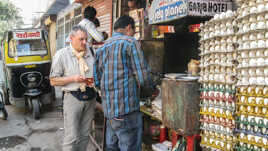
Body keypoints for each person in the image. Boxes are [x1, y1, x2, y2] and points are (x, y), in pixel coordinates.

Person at [94, 15, 157, 151]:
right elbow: (143, 77)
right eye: (133, 31)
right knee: (130, 147)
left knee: (112, 147)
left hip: (110, 112)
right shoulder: (131, 43)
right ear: (129, 28)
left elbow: (97, 81)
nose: (133, 34)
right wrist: (152, 92)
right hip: (127, 111)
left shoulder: (102, 48)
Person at [50, 25, 96, 151]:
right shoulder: (61, 55)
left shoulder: (91, 52)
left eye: (86, 39)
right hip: (72, 98)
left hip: (90, 96)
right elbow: (53, 80)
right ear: (71, 38)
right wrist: (73, 79)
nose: (85, 42)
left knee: (85, 134)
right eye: (81, 39)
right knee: (72, 136)